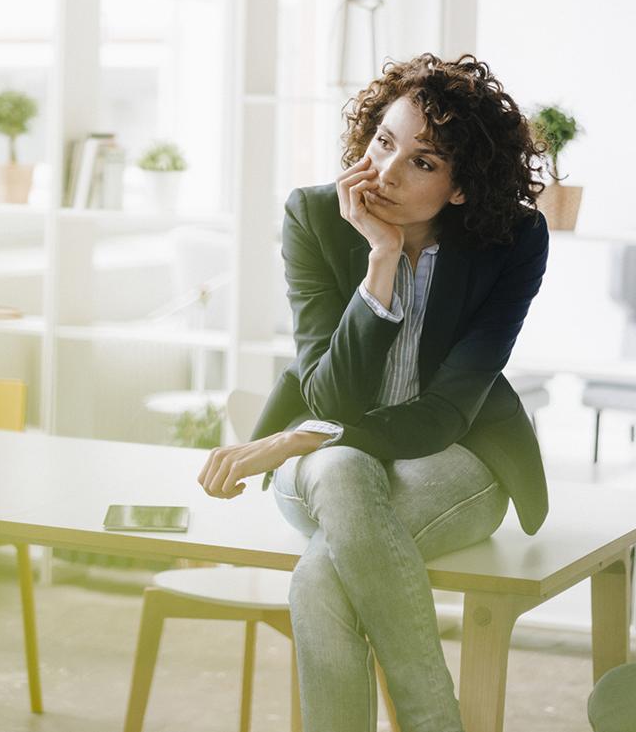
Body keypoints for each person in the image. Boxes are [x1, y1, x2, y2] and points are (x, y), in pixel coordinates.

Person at [198, 53, 552, 732]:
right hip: (330, 466)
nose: (386, 173)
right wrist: (380, 260)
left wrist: (303, 436)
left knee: (321, 576)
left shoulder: (513, 239)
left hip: (457, 454)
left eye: (422, 162)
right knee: (341, 463)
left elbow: (447, 412)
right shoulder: (313, 215)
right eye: (384, 142)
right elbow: (329, 397)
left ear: (460, 187)